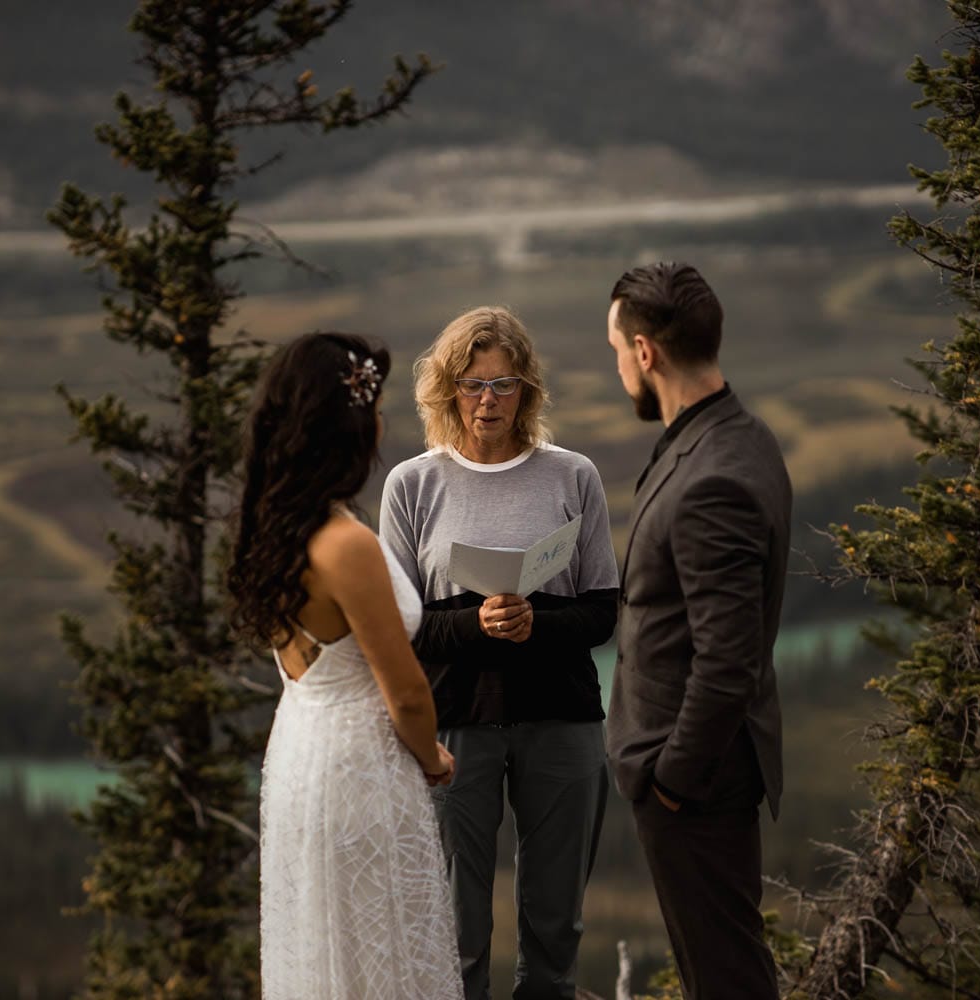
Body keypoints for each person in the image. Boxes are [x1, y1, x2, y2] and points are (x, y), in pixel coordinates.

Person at [379, 306, 619, 1000]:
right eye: (472, 384)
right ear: (446, 390)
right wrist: (477, 625)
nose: (488, 401)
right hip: (455, 726)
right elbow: (399, 626)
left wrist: (531, 624)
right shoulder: (412, 485)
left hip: (563, 721)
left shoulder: (573, 476)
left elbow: (603, 610)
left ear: (528, 391)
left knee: (555, 926)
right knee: (455, 929)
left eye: (504, 384)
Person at [228, 332, 462, 1000]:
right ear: (349, 427)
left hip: (301, 753)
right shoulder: (345, 545)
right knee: (378, 953)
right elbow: (407, 693)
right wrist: (433, 760)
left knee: (324, 953)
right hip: (362, 769)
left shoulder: (271, 529)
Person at [603, 263, 791, 1000]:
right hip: (700, 771)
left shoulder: (713, 477)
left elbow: (727, 662)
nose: (617, 365)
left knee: (726, 979)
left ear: (646, 353)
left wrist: (672, 781)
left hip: (695, 779)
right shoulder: (737, 434)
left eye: (617, 349)